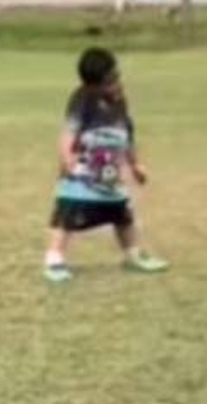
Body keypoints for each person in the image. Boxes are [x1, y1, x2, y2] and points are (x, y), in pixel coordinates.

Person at [43, 47, 169, 284]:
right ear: (93, 85)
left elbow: (127, 135)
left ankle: (132, 254)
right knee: (68, 211)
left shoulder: (120, 101)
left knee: (121, 212)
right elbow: (68, 131)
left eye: (116, 77)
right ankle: (54, 258)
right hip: (83, 169)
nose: (116, 84)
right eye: (109, 81)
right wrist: (66, 156)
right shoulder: (82, 99)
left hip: (109, 168)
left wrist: (135, 164)